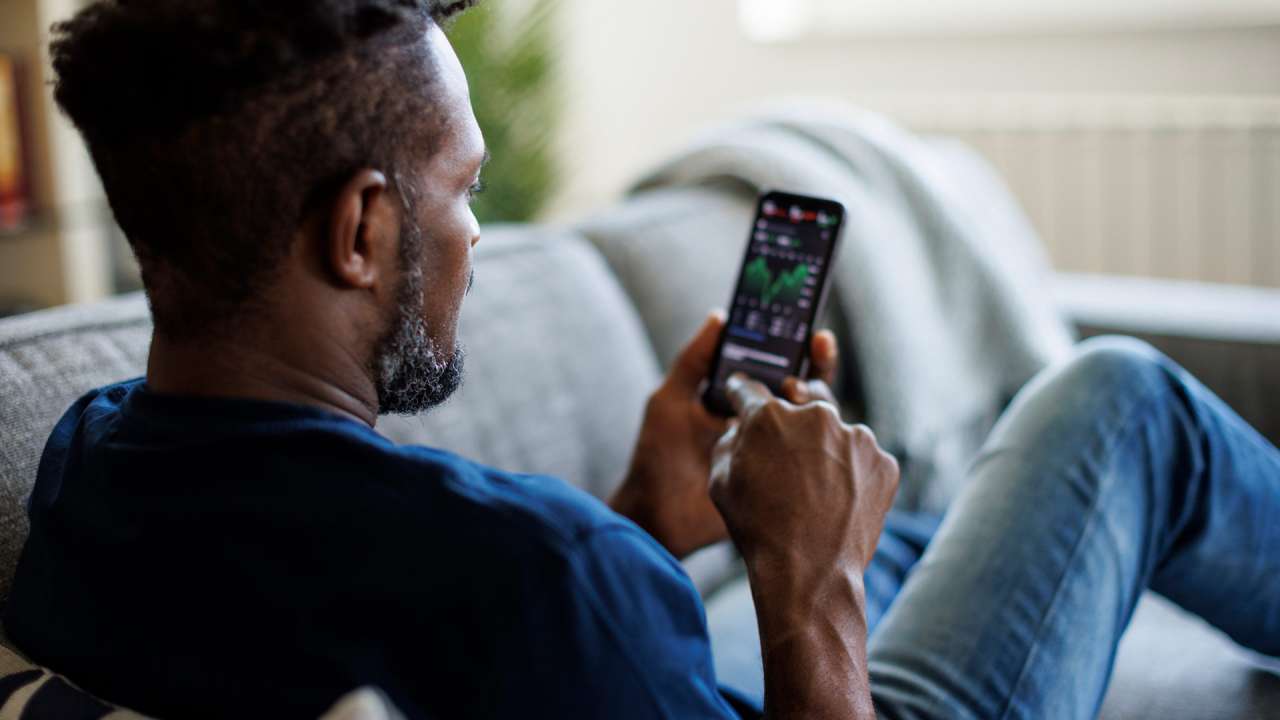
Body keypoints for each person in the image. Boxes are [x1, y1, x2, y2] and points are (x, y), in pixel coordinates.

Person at [5, 2, 1278, 719]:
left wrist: (636, 526)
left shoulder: (84, 470)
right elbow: (534, 615)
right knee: (1115, 401)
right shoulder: (546, 577)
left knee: (913, 528)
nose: (477, 238)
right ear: (360, 231)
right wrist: (802, 589)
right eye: (463, 193)